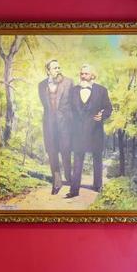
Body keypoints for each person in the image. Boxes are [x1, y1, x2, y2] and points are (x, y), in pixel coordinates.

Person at [65, 64, 113, 198]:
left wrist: (102, 115)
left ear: (92, 75)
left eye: (86, 74)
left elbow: (108, 108)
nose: (83, 76)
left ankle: (97, 186)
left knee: (97, 158)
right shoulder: (73, 91)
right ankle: (74, 190)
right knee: (77, 159)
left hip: (95, 131)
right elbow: (68, 109)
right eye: (81, 73)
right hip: (78, 132)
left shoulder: (102, 90)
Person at [38, 59, 73, 195]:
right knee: (52, 153)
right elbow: (45, 105)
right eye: (55, 68)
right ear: (48, 71)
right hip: (49, 124)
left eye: (59, 67)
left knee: (66, 151)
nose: (58, 70)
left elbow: (72, 104)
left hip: (66, 124)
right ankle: (57, 182)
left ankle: (69, 176)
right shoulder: (41, 85)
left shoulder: (68, 82)